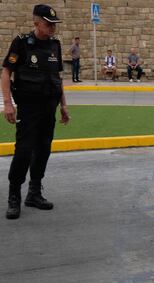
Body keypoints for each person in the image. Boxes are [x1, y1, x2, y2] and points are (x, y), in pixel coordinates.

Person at [1, 4, 70, 220]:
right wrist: (8, 103)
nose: (52, 28)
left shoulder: (55, 46)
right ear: (36, 22)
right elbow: (5, 73)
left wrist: (64, 105)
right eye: (48, 24)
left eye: (54, 25)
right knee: (23, 151)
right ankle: (14, 197)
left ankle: (34, 192)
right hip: (28, 109)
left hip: (48, 108)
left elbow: (57, 78)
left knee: (43, 150)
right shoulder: (21, 43)